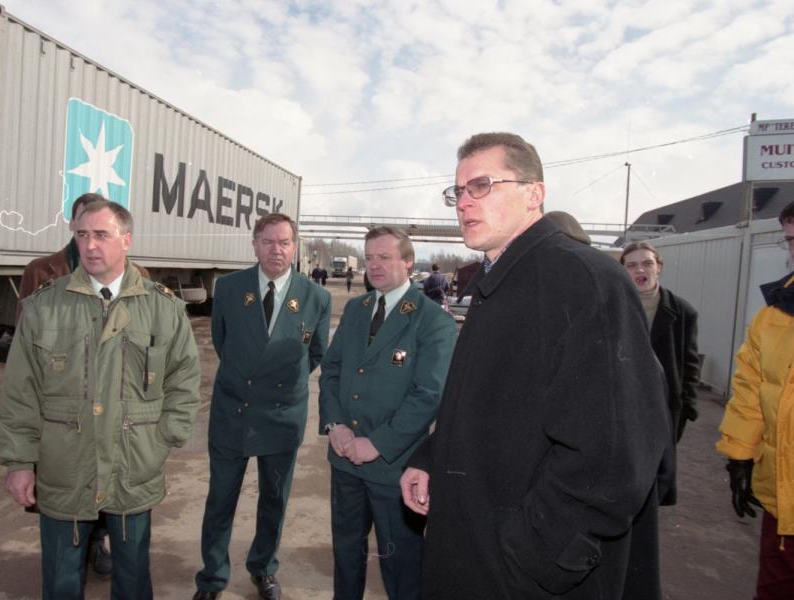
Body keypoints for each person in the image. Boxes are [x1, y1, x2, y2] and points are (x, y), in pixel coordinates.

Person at [400, 132, 669, 598]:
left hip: (525, 576)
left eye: (481, 185)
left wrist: (534, 554)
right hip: (478, 547)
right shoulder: (500, 280)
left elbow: (615, 456)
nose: (463, 202)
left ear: (534, 194)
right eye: (457, 191)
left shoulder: (583, 280)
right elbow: (482, 405)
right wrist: (430, 458)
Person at [0, 199, 201, 600]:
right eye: (82, 235)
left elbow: (184, 380)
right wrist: (19, 462)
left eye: (101, 235)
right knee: (61, 580)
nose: (90, 245)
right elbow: (20, 391)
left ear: (126, 240)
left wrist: (162, 439)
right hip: (64, 467)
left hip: (133, 467)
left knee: (133, 579)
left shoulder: (163, 308)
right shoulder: (45, 306)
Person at [194, 213, 330, 600]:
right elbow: (223, 342)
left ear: (295, 247)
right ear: (254, 244)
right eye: (268, 241)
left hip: (282, 414)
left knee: (274, 499)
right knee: (221, 499)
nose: (276, 250)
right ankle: (212, 577)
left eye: (284, 242)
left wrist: (276, 385)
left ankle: (264, 567)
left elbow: (315, 354)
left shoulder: (316, 297)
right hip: (233, 410)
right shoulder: (229, 288)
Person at [15, 193, 150, 576]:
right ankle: (71, 547)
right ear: (73, 225)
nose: (89, 238)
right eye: (81, 226)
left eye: (99, 230)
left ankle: (97, 540)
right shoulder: (42, 271)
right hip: (62, 405)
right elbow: (26, 345)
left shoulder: (139, 277)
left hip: (111, 404)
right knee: (63, 492)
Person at [319, 226, 455, 599]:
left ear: (408, 262)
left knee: (401, 565)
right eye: (369, 258)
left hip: (395, 467)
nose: (374, 266)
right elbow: (331, 371)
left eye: (385, 257)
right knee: (346, 554)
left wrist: (377, 443)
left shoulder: (433, 320)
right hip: (345, 459)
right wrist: (335, 425)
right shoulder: (356, 309)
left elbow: (428, 395)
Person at [717, 200, 794, 599]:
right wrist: (740, 457)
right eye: (792, 240)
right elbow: (750, 390)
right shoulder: (773, 315)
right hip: (782, 501)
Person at [621, 241, 700, 505]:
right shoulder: (612, 307)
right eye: (631, 265)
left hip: (664, 409)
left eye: (647, 263)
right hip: (624, 407)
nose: (640, 270)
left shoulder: (683, 312)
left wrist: (686, 408)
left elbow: (690, 365)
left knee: (657, 480)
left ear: (659, 267)